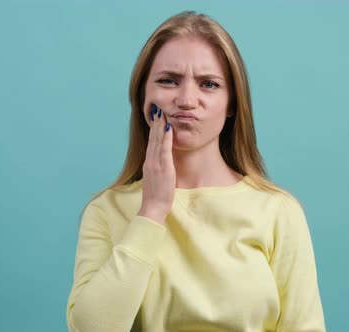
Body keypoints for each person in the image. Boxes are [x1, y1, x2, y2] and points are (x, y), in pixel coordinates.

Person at [66, 10, 326, 332]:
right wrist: (152, 211)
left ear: (232, 103)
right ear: (143, 97)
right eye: (168, 80)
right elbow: (90, 328)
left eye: (209, 84)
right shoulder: (106, 210)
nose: (187, 100)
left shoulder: (279, 212)